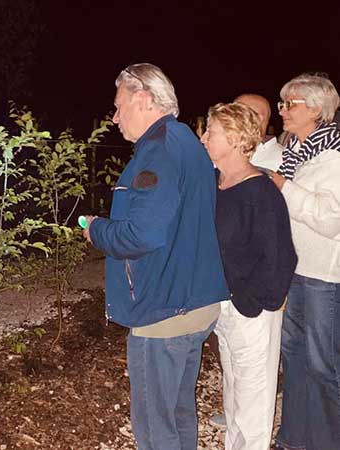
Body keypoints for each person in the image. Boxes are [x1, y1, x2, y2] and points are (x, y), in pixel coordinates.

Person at [82, 63, 229, 450]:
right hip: (194, 302)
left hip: (163, 312)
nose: (114, 118)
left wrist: (95, 228)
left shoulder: (157, 153)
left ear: (144, 99)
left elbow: (140, 234)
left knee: (153, 427)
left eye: (118, 106)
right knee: (179, 413)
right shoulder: (186, 143)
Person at [201, 102, 297, 450]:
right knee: (234, 391)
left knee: (254, 399)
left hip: (251, 310)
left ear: (234, 138)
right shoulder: (216, 183)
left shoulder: (260, 192)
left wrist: (256, 304)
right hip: (223, 303)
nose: (204, 138)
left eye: (210, 132)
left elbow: (281, 257)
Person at [269, 73, 340, 450]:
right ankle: (293, 439)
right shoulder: (292, 153)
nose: (282, 110)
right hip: (294, 272)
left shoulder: (333, 157)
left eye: (289, 103)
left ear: (315, 108)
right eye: (281, 103)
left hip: (322, 278)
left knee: (323, 366)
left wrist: (284, 188)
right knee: (294, 360)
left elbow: (330, 221)